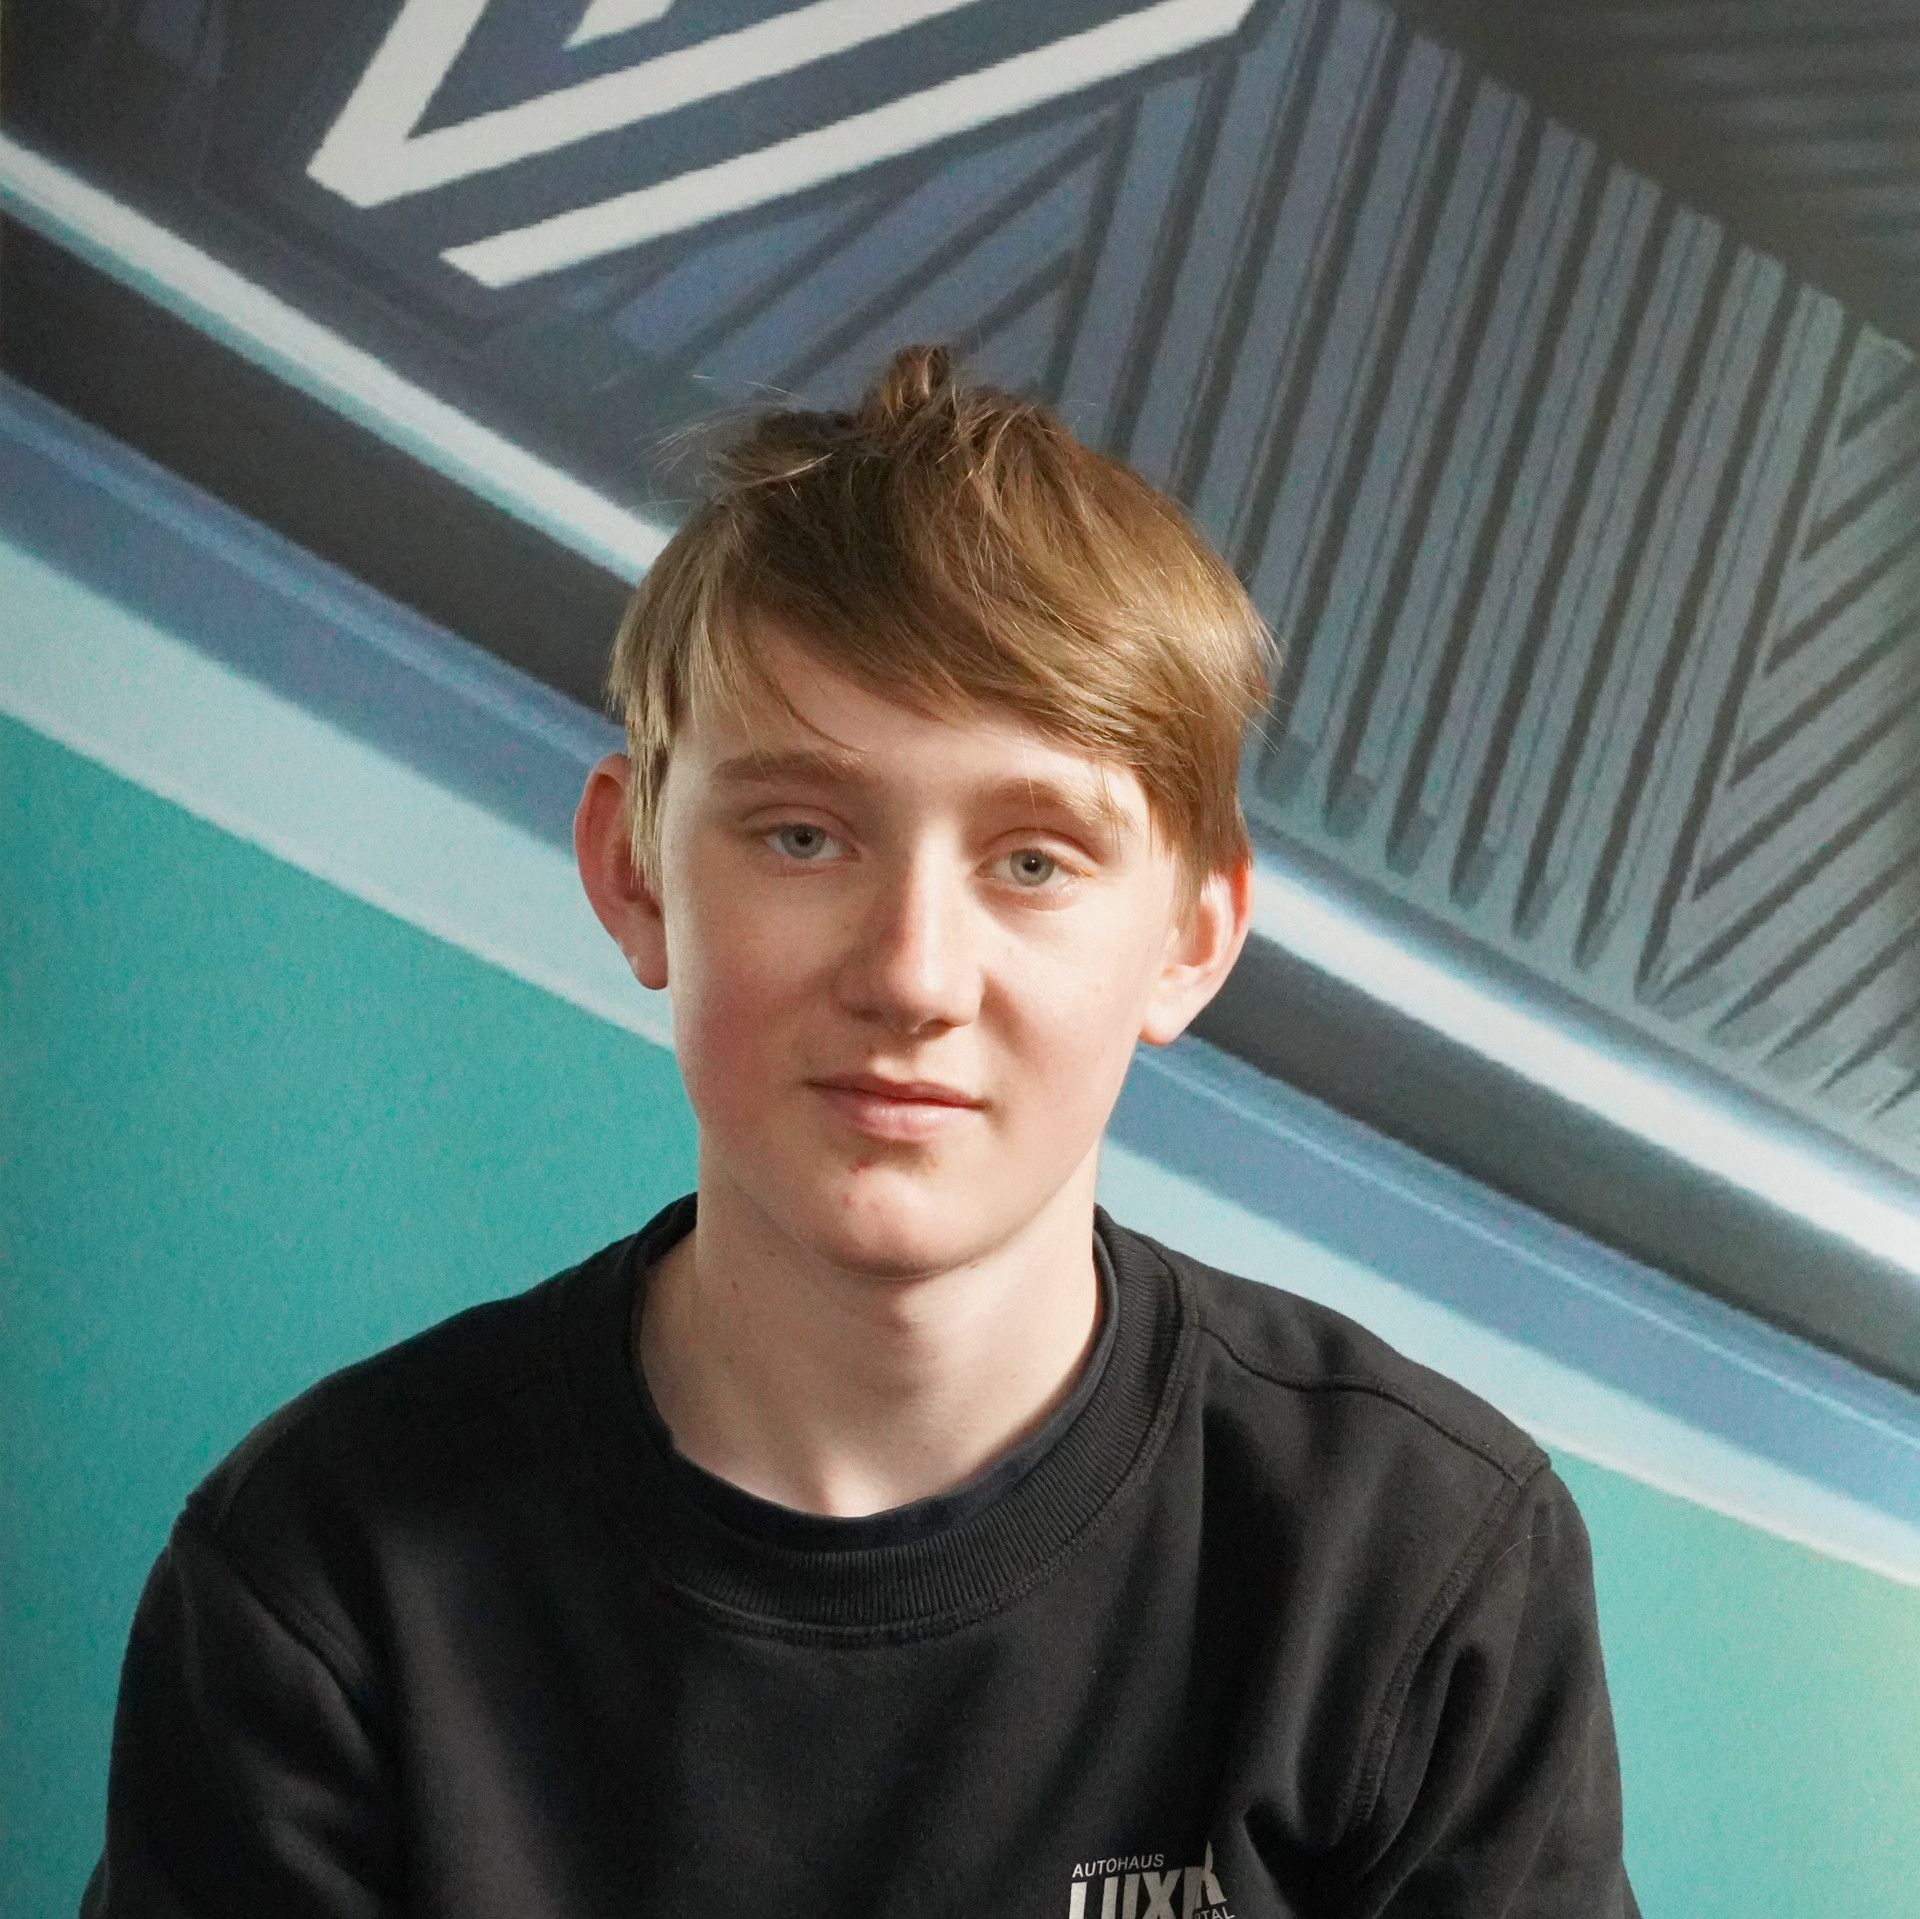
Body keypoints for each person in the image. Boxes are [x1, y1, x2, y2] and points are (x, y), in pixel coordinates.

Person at [82, 343, 1639, 1917]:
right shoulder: (329, 1578)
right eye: (803, 836)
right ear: (634, 873)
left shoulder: (1412, 1565)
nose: (912, 975)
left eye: (1033, 861)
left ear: (1191, 939)